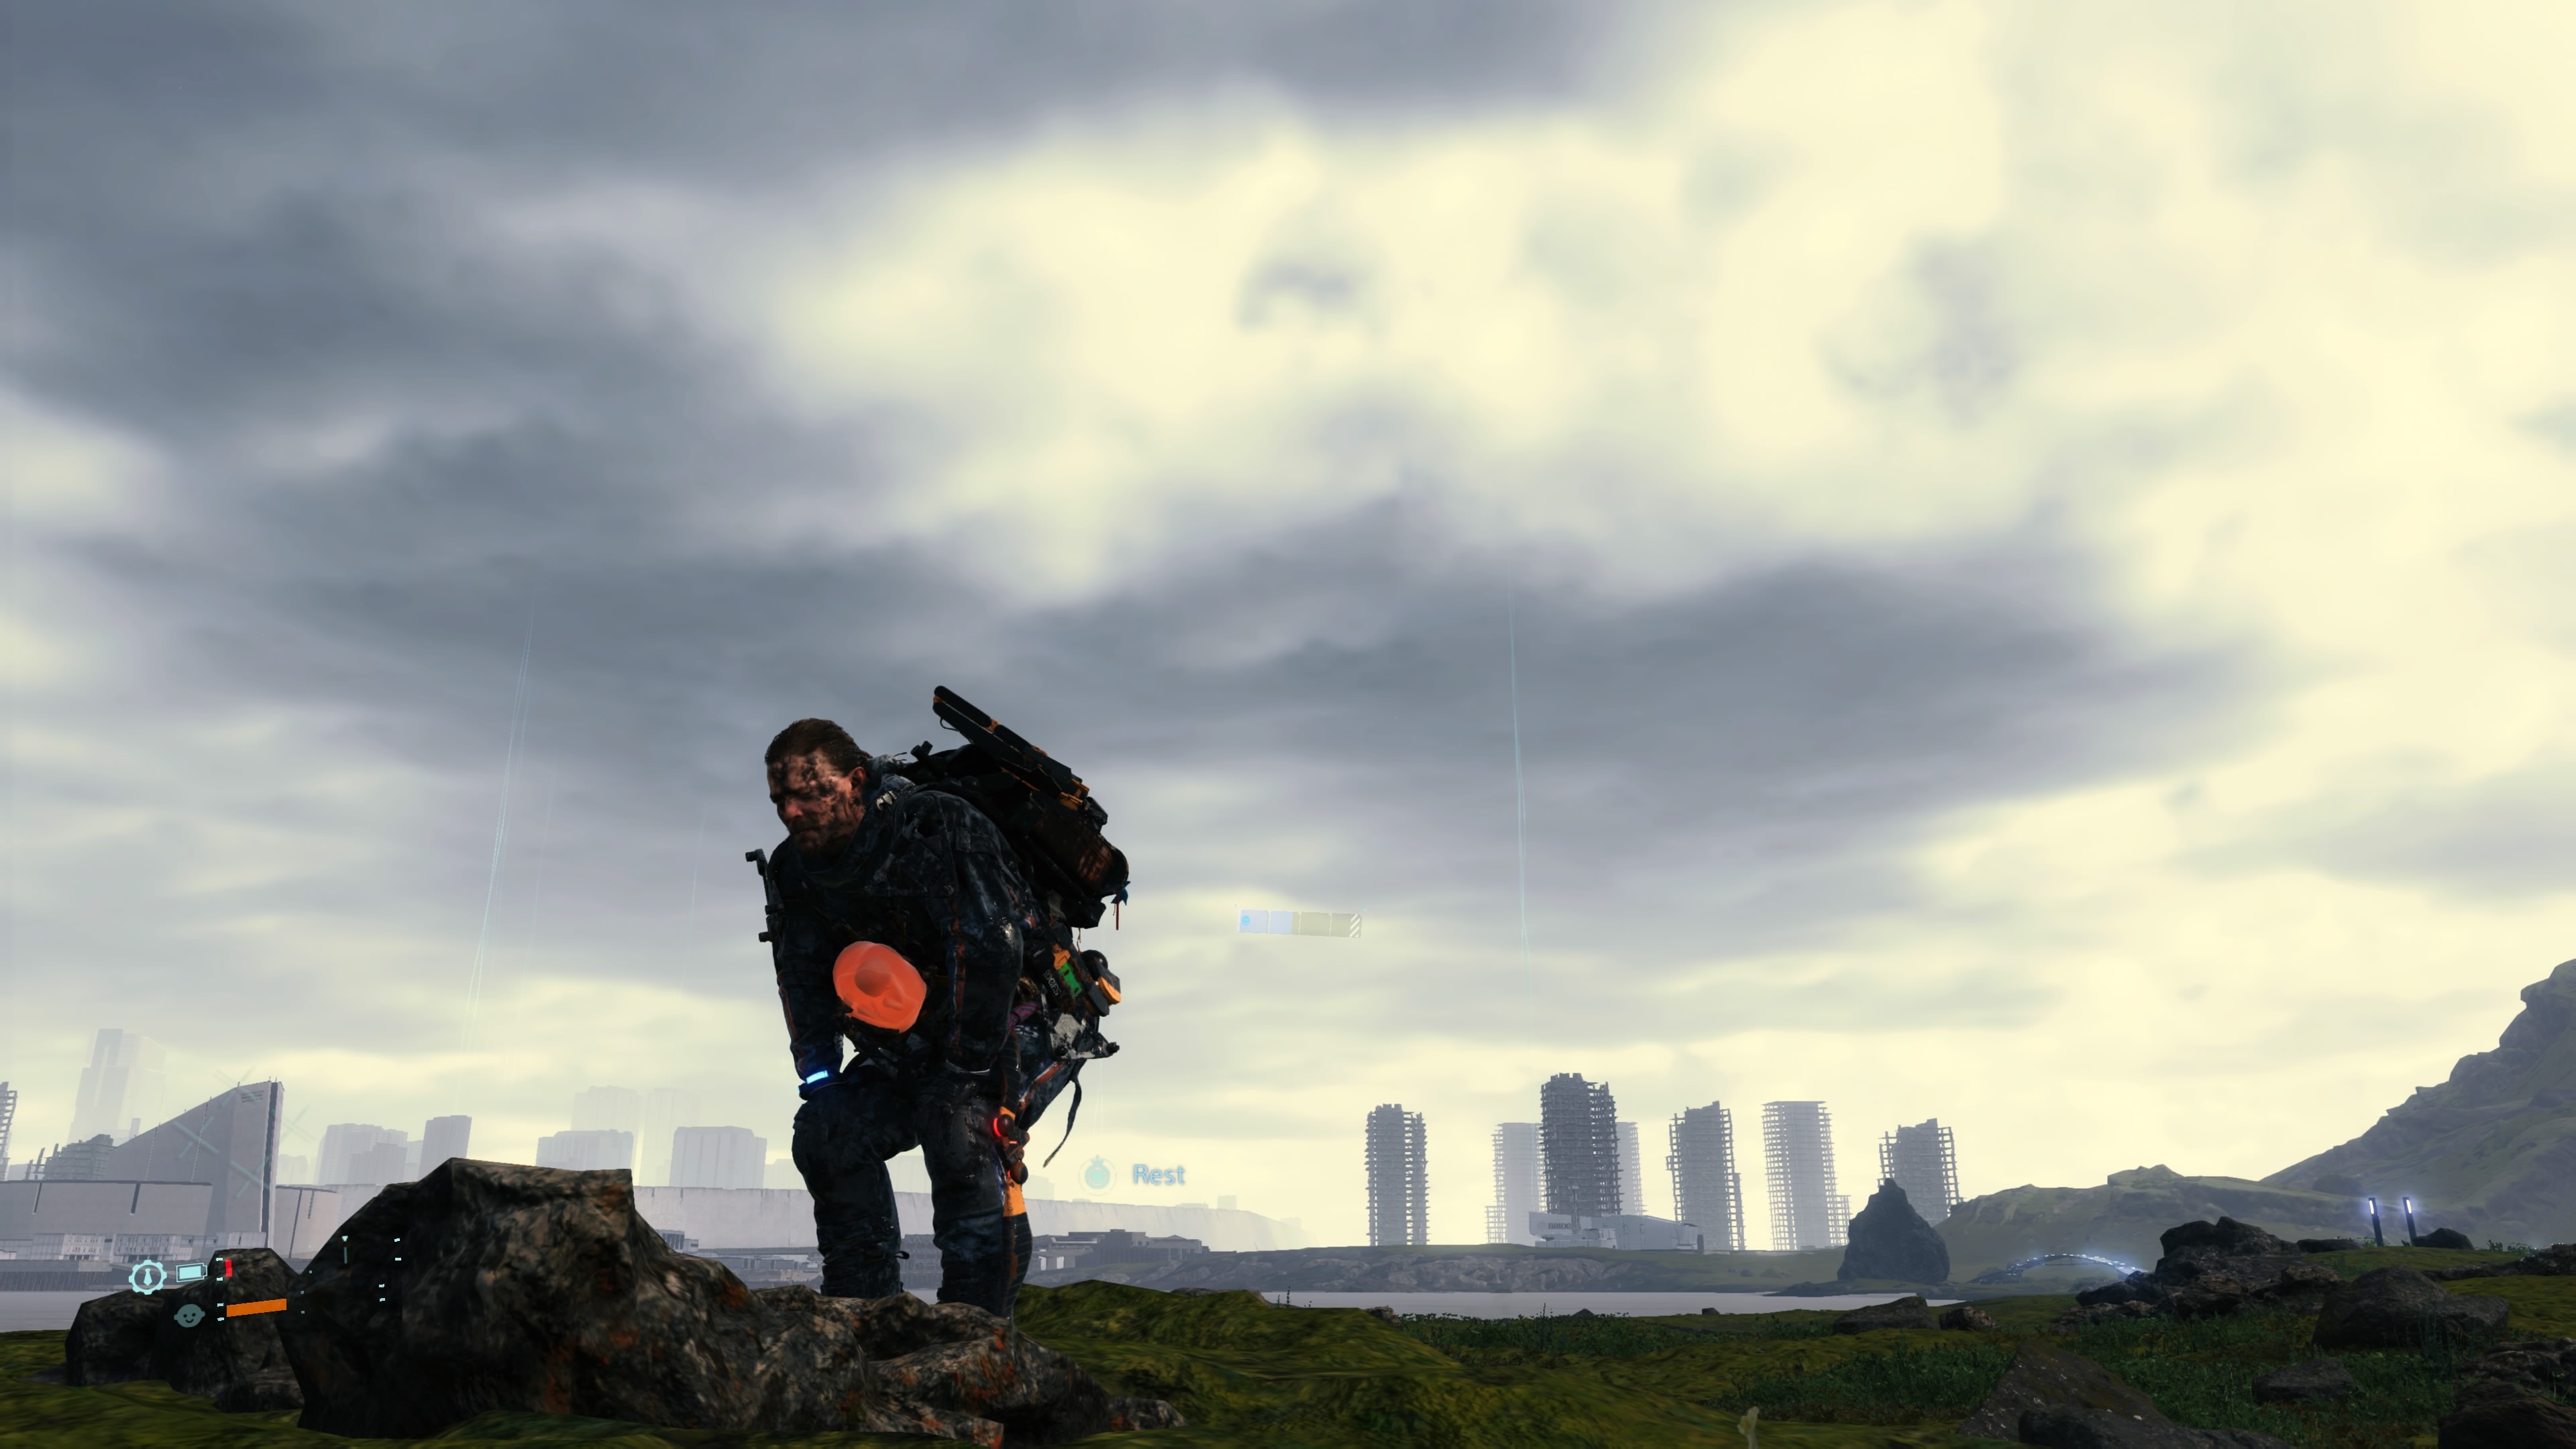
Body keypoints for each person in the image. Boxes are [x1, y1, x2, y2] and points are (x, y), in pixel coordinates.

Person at [759, 716, 1044, 1314]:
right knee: (827, 1132)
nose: (791, 812)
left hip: (1011, 1027)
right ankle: (863, 1314)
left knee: (959, 1126)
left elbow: (992, 951)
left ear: (856, 781)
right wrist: (820, 1077)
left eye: (810, 794)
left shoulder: (935, 826)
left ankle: (975, 1328)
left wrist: (964, 1072)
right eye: (781, 799)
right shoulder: (794, 870)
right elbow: (801, 977)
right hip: (910, 1037)